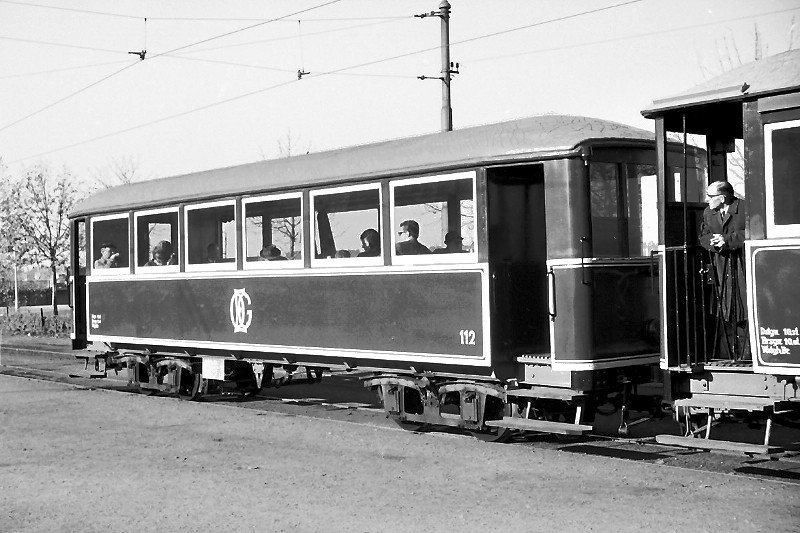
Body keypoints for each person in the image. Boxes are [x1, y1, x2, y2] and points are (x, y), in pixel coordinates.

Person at [699, 180, 747, 359]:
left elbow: (751, 231)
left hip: (740, 266)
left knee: (742, 311)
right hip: (720, 266)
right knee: (723, 312)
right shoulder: (708, 212)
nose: (707, 199)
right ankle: (726, 355)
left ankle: (745, 356)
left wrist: (727, 240)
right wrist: (714, 242)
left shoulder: (743, 208)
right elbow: (703, 236)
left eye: (710, 196)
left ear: (723, 197)